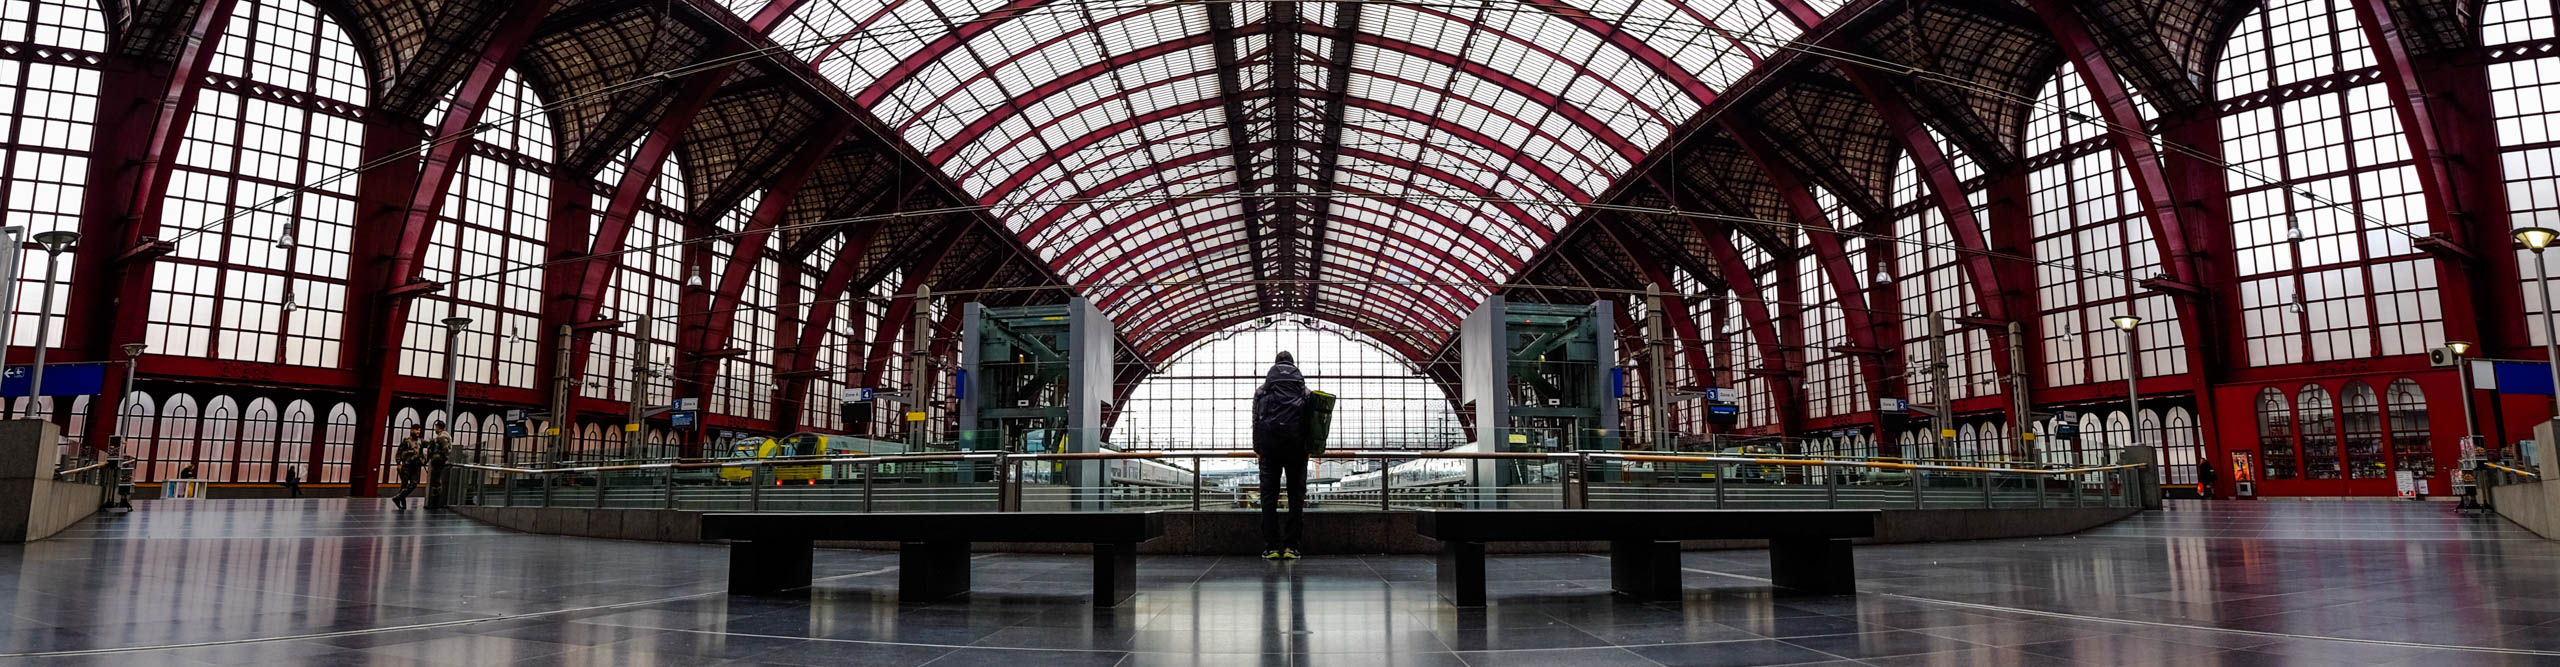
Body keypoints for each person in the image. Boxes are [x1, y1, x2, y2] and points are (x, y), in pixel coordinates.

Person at [1252, 351, 1312, 560]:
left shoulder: (1262, 391)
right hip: (1297, 450)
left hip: (1269, 450)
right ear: (1293, 365)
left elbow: (1256, 421)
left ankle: (1271, 547)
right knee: (1296, 498)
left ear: (1275, 365)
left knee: (1269, 498)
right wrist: (1308, 446)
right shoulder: (1304, 391)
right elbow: (1312, 421)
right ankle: (1291, 547)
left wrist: (1258, 449)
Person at [392, 426, 427, 509]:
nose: (418, 432)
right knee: (404, 485)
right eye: (416, 430)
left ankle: (397, 498)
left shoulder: (420, 441)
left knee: (414, 484)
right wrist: (399, 463)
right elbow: (399, 452)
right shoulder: (406, 441)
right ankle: (402, 504)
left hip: (415, 466)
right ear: (412, 430)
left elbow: (428, 447)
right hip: (406, 466)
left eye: (419, 430)